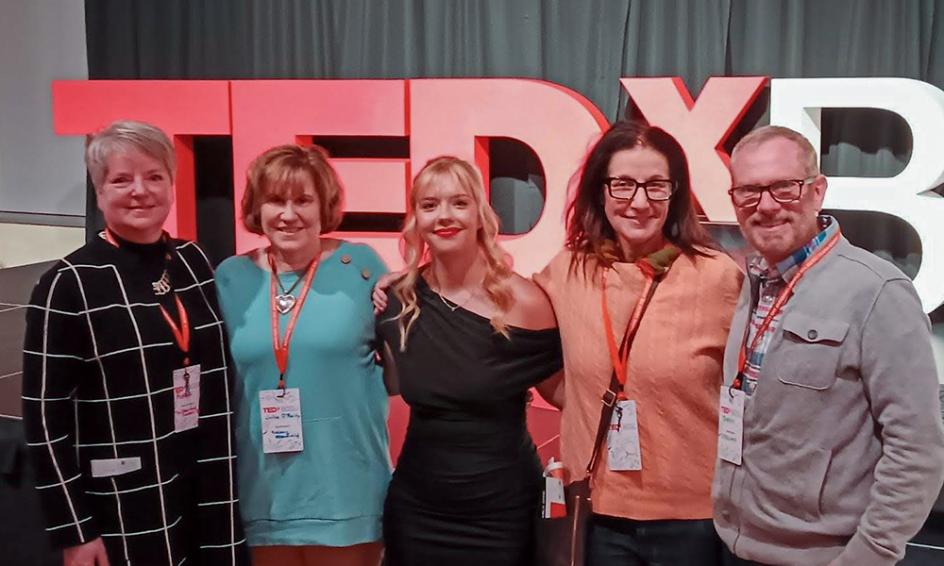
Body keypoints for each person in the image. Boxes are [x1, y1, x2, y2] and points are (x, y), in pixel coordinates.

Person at [713, 125, 944, 566]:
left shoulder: (877, 290)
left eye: (784, 188)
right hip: (737, 545)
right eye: (749, 191)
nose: (766, 206)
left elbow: (917, 448)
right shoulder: (756, 281)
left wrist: (869, 555)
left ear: (817, 191)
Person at [21, 120, 247, 566]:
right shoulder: (67, 285)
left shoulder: (193, 261)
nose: (140, 191)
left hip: (206, 482)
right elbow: (45, 421)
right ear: (99, 191)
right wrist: (76, 530)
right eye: (121, 179)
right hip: (125, 502)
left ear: (171, 184)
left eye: (154, 176)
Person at [531, 120, 742, 565]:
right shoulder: (568, 271)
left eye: (656, 186)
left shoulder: (718, 276)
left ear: (676, 193)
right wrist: (402, 282)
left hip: (695, 520)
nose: (640, 202)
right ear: (600, 190)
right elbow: (504, 315)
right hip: (598, 512)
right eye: (623, 185)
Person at [375, 156, 563, 565]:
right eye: (429, 205)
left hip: (503, 515)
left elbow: (568, 393)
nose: (444, 216)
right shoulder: (396, 302)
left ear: (480, 213)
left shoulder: (525, 302)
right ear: (416, 220)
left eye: (459, 203)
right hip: (417, 511)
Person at [214, 144, 389, 566]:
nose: (288, 214)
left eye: (303, 200)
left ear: (323, 206)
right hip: (264, 493)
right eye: (276, 200)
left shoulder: (361, 268)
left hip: (348, 491)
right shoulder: (230, 278)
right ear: (257, 208)